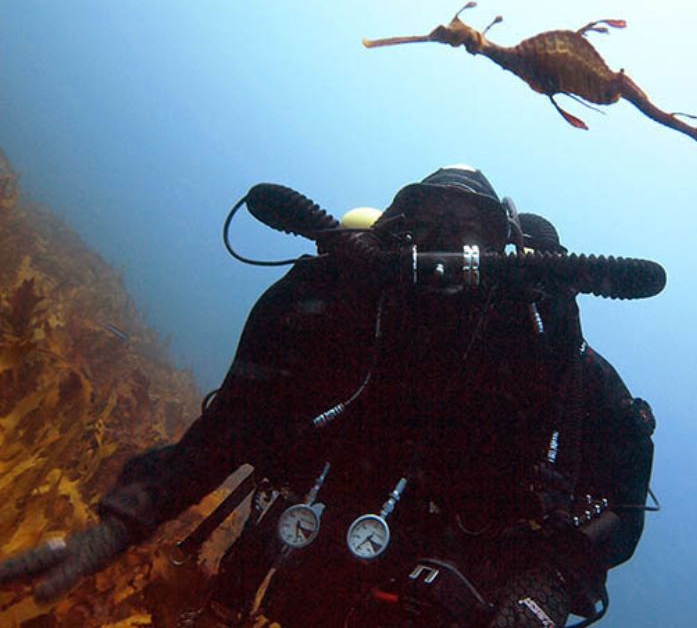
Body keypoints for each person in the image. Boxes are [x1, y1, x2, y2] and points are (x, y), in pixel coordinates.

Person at [0, 166, 657, 627]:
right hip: (309, 571)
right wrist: (121, 524)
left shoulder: (548, 353)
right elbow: (232, 427)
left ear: (507, 246)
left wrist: (545, 588)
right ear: (393, 229)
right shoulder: (338, 312)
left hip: (467, 595)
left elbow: (617, 503)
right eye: (425, 217)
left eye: (469, 224)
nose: (446, 238)